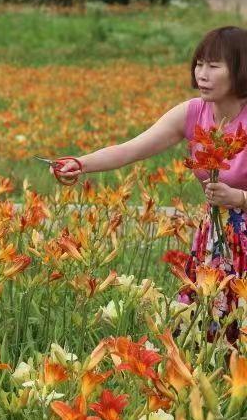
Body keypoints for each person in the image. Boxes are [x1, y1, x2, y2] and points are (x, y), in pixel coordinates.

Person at [56, 25, 247, 339]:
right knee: (203, 327)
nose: (202, 73)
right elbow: (130, 149)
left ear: (240, 69)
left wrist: (239, 198)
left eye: (213, 66)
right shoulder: (192, 113)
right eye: (199, 64)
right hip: (216, 237)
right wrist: (80, 164)